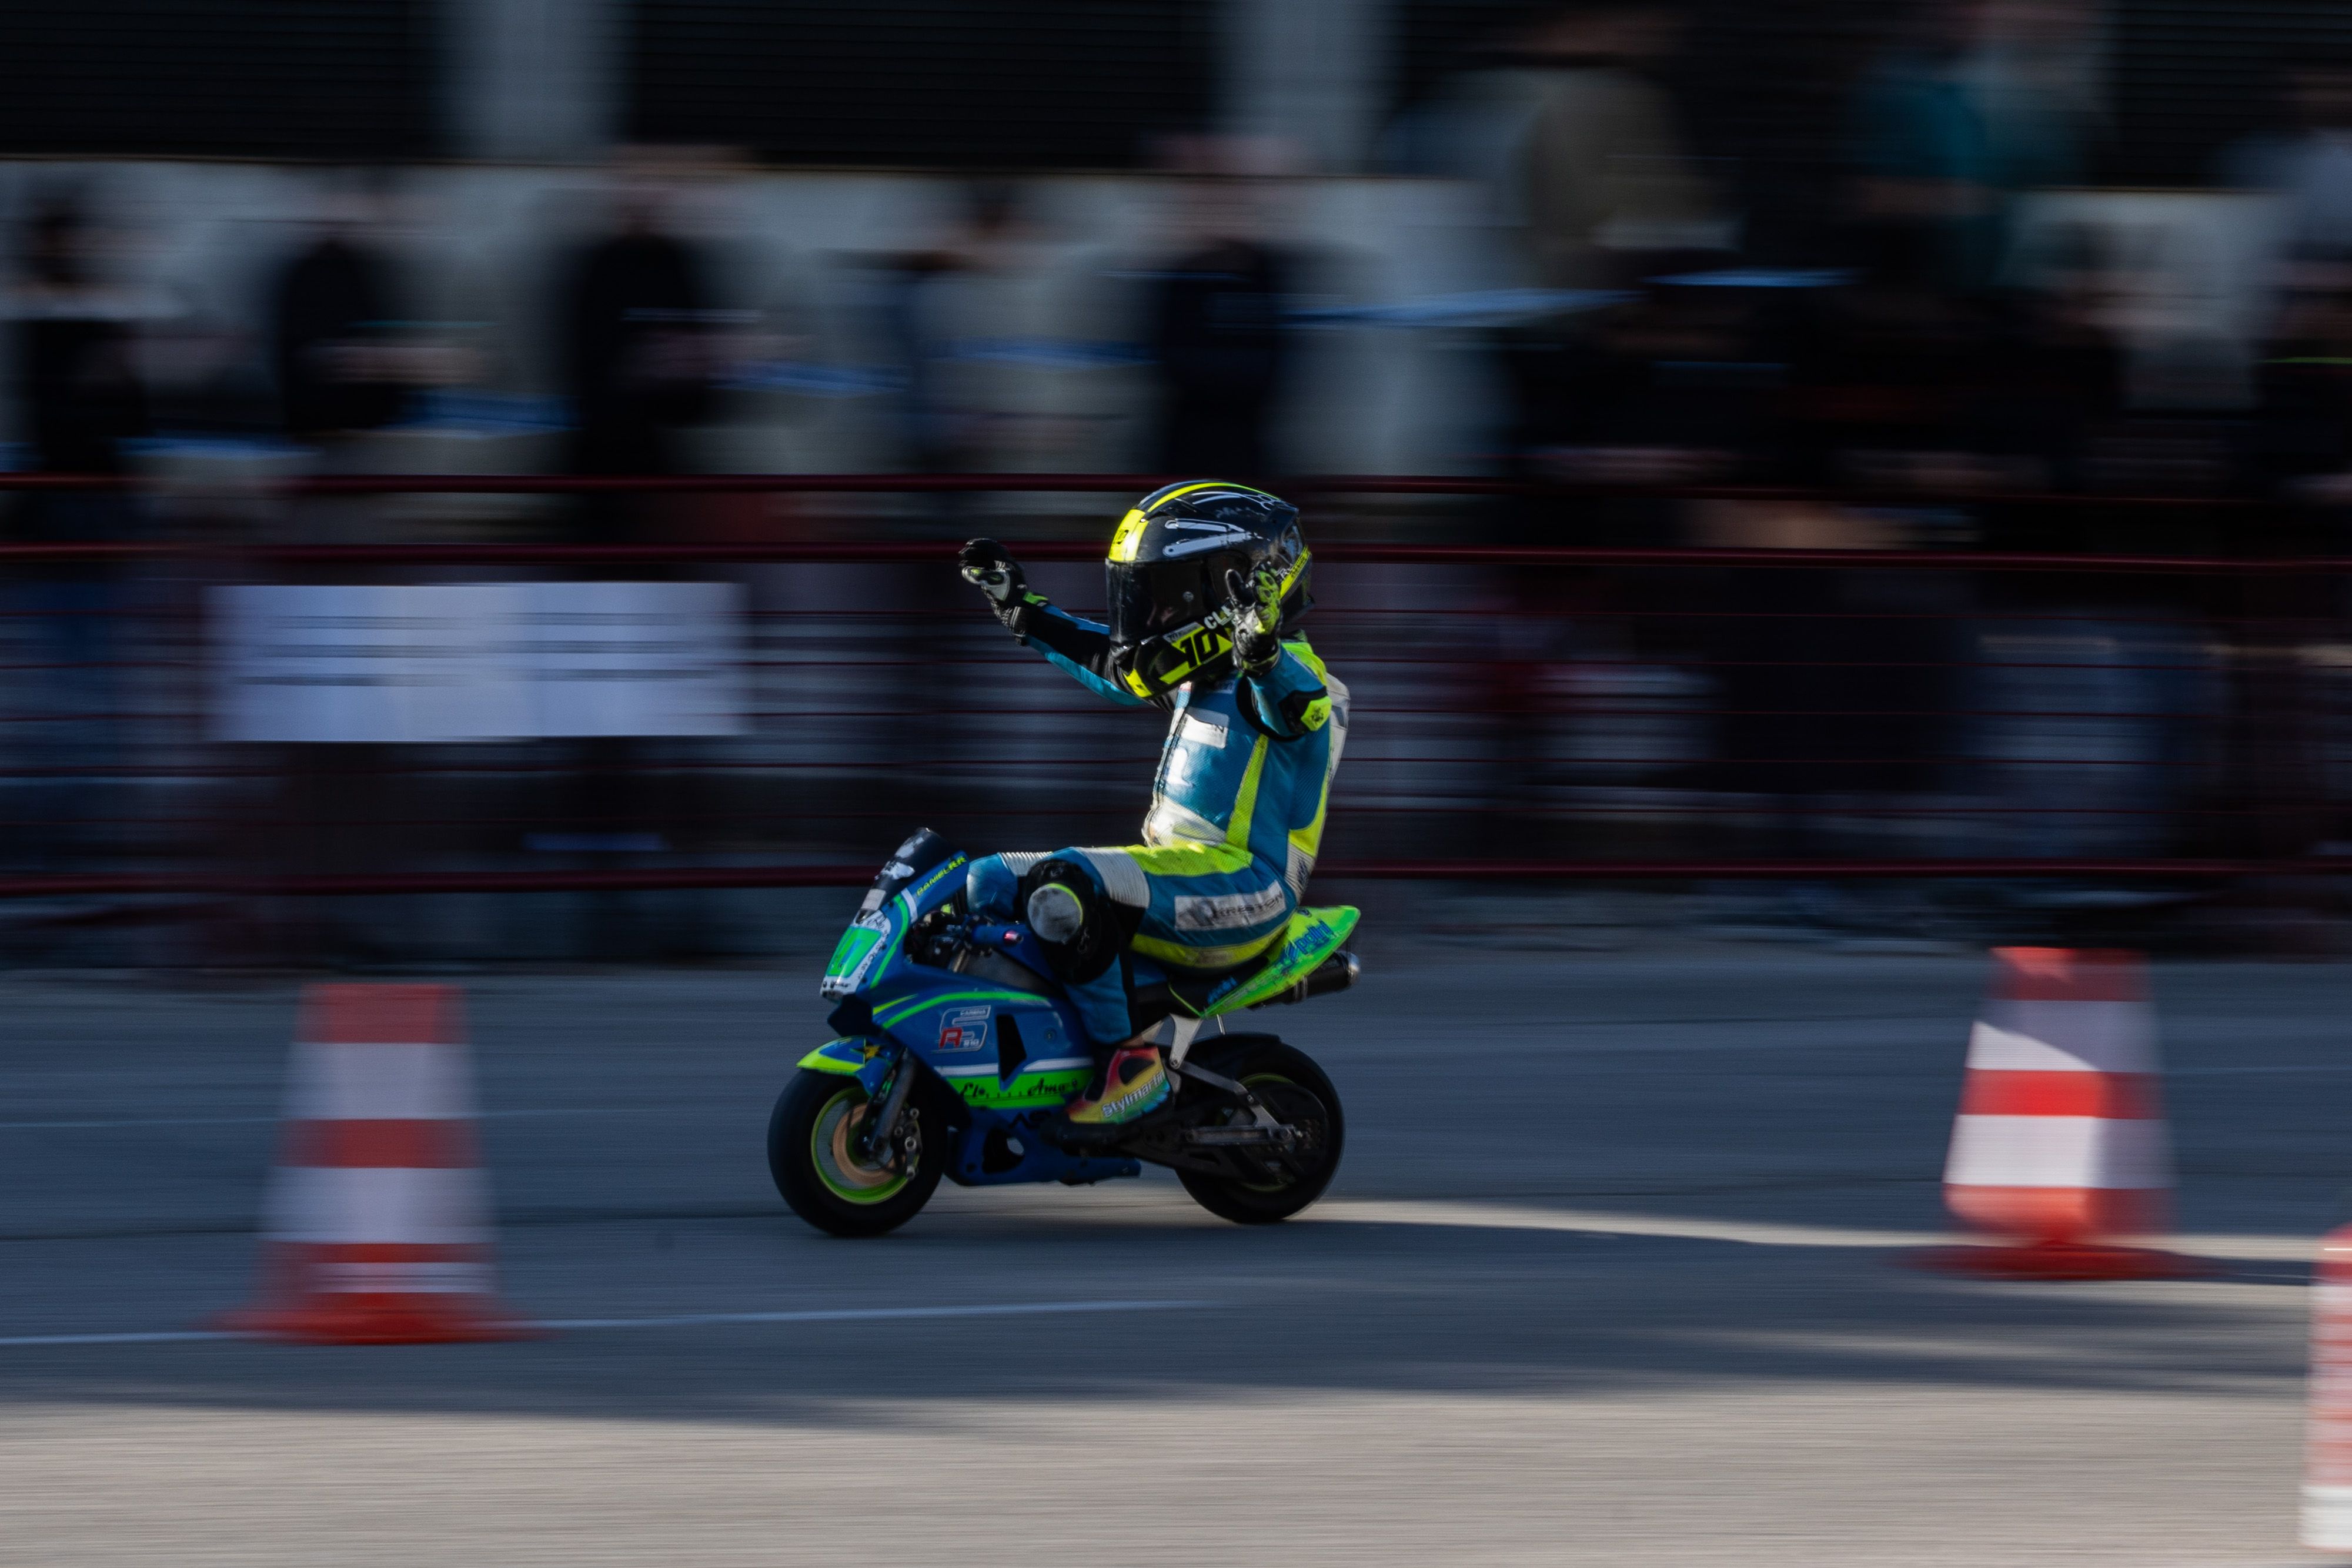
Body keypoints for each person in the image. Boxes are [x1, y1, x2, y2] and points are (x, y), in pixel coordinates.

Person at [956, 482, 1348, 1135]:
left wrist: (1265, 653)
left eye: (1164, 598)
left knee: (1069, 882)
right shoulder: (1205, 672)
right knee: (986, 879)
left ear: (1235, 589)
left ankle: (1127, 1065)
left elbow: (1297, 706)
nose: (1150, 617)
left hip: (1246, 886)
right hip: (1179, 869)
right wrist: (1021, 609)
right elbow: (1116, 669)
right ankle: (1027, 1051)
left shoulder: (1297, 679)